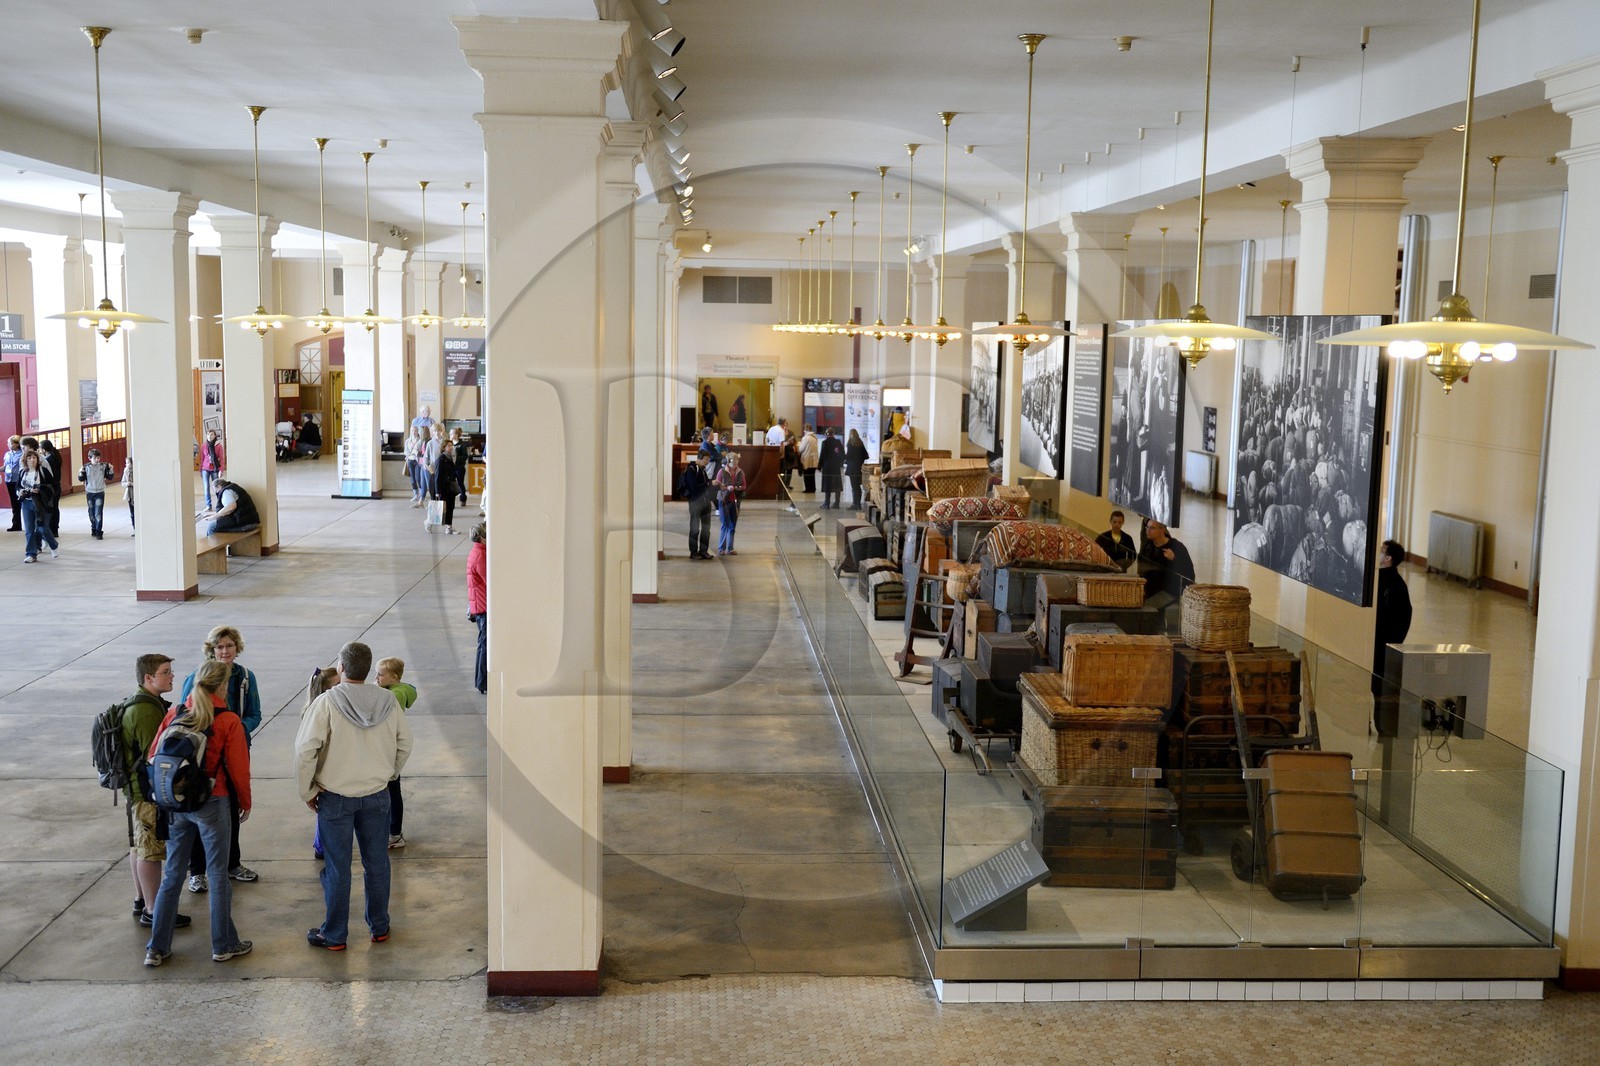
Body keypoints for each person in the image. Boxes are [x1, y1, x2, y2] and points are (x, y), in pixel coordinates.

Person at [295, 641, 414, 951]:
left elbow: (305, 750)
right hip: (377, 796)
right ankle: (380, 927)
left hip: (335, 798)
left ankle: (334, 935)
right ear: (368, 668)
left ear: (343, 668)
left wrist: (308, 789)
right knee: (378, 863)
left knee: (338, 866)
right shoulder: (389, 702)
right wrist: (388, 774)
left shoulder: (326, 703)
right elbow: (405, 744)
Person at [143, 659, 252, 967]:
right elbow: (239, 769)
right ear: (222, 686)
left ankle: (157, 947)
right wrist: (245, 801)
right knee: (218, 874)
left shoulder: (175, 713)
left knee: (174, 873)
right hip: (213, 802)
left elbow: (153, 756)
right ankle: (224, 944)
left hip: (175, 805)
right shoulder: (228, 720)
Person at [178, 626, 263, 891]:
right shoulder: (196, 677)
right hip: (200, 756)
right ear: (211, 650)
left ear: (237, 648)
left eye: (229, 646)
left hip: (235, 750)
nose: (225, 651)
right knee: (197, 807)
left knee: (231, 807)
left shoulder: (246, 677)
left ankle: (232, 863)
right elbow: (184, 715)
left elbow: (255, 714)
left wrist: (236, 730)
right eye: (219, 647)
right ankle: (197, 871)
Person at [119, 653, 192, 931]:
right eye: (165, 672)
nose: (172, 676)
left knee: (139, 845)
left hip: (136, 790)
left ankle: (141, 900)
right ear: (148, 678)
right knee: (150, 850)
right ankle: (154, 910)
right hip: (147, 793)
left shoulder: (140, 702)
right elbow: (157, 757)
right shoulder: (146, 711)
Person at [375, 657, 417, 849]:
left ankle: (394, 832)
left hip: (388, 750)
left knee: (391, 790)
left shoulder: (395, 695)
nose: (376, 678)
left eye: (380, 675)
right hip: (390, 748)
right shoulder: (400, 689)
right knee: (393, 790)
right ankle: (393, 831)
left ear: (394, 676)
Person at [1372, 539, 1414, 720]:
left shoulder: (1395, 586)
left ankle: (1383, 727)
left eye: (1381, 551)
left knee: (1380, 689)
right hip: (1374, 644)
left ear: (1388, 558)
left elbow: (1402, 619)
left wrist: (1387, 643)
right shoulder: (1377, 579)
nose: (1377, 553)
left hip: (1382, 647)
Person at [16, 449, 59, 563]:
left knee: (42, 528)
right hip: (27, 503)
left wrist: (40, 489)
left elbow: (54, 487)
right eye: (29, 458)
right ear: (25, 460)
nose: (32, 460)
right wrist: (20, 492)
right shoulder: (22, 472)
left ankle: (53, 545)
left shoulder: (43, 471)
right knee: (29, 530)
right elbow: (17, 486)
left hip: (41, 503)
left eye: (34, 457)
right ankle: (31, 554)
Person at [1138, 520, 1195, 603]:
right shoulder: (1147, 547)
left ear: (1162, 530)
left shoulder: (1177, 547)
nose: (1148, 530)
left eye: (1152, 528)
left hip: (1170, 596)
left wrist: (1174, 559)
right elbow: (1141, 570)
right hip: (1149, 595)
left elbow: (1189, 573)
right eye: (1147, 527)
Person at [679, 452, 714, 561]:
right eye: (706, 459)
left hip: (705, 502)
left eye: (708, 459)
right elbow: (694, 487)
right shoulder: (691, 470)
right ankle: (693, 552)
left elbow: (705, 483)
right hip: (695, 502)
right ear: (699, 458)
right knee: (694, 528)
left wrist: (711, 483)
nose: (708, 462)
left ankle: (704, 551)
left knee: (706, 529)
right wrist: (709, 484)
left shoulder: (702, 469)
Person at [79, 447, 116, 540]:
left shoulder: (103, 466)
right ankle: (94, 527)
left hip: (99, 492)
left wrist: (111, 469)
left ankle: (99, 531)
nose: (97, 460)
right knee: (91, 512)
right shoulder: (86, 467)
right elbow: (81, 479)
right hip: (90, 492)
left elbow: (110, 477)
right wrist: (80, 473)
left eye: (98, 458)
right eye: (95, 458)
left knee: (98, 513)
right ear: (89, 458)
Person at [468, 524, 488, 693]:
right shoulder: (481, 555)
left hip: (479, 604)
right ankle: (482, 682)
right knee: (484, 645)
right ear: (482, 537)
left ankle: (482, 681)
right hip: (484, 607)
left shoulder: (477, 551)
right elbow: (490, 581)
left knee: (484, 643)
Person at [714, 451, 746, 557]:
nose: (736, 462)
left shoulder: (740, 472)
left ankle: (730, 548)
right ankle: (721, 548)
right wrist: (727, 487)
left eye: (737, 460)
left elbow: (744, 486)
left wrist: (737, 488)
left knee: (732, 525)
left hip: (735, 501)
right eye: (734, 460)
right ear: (728, 461)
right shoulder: (722, 471)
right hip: (724, 500)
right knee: (725, 524)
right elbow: (718, 485)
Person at [429, 438, 461, 534]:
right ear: (444, 447)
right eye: (448, 446)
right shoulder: (440, 459)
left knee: (451, 507)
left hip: (450, 487)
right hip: (443, 488)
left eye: (451, 445)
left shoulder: (450, 457)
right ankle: (429, 523)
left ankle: (449, 528)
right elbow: (437, 476)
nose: (451, 447)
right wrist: (437, 492)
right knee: (441, 508)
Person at [38, 439, 65, 539]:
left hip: (51, 487)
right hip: (57, 486)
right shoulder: (56, 457)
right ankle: (55, 529)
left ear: (44, 449)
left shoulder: (48, 459)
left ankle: (52, 529)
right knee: (55, 508)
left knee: (50, 508)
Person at [818, 427, 844, 509]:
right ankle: (837, 503)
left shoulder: (824, 442)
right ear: (833, 434)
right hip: (835, 466)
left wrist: (819, 466)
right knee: (837, 484)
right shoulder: (838, 442)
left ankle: (827, 503)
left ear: (826, 434)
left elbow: (822, 455)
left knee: (827, 485)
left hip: (827, 466)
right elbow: (842, 454)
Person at [199, 429, 225, 509]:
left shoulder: (218, 446)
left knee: (217, 487)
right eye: (208, 435)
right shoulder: (204, 445)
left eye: (212, 435)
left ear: (215, 436)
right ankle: (208, 505)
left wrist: (221, 470)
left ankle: (219, 504)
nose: (210, 436)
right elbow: (202, 458)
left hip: (215, 468)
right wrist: (200, 470)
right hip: (205, 468)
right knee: (206, 487)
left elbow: (221, 458)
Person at [843, 428, 869, 510]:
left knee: (854, 486)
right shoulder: (860, 443)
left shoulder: (850, 443)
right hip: (859, 467)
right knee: (858, 486)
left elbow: (849, 456)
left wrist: (842, 456)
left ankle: (855, 504)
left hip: (852, 468)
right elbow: (866, 455)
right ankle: (858, 504)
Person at [404, 427, 427, 507]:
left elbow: (420, 451)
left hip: (417, 461)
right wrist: (409, 454)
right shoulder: (408, 441)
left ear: (418, 431)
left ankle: (422, 495)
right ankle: (416, 494)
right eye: (412, 430)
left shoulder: (420, 440)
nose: (414, 432)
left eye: (415, 430)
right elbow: (406, 451)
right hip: (410, 460)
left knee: (418, 478)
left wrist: (415, 453)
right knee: (413, 479)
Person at [3, 434, 22, 532]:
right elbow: (5, 467)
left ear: (17, 444)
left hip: (18, 481)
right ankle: (16, 524)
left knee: (21, 502)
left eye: (10, 443)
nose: (8, 445)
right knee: (14, 503)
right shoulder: (7, 454)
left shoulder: (22, 454)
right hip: (9, 480)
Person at [449, 427, 471, 506]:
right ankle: (451, 499)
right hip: (451, 467)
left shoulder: (462, 444)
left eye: (453, 434)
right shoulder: (449, 444)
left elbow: (465, 456)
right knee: (451, 483)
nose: (451, 435)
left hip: (459, 467)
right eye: (450, 434)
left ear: (457, 435)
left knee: (460, 483)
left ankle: (463, 499)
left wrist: (456, 459)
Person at [798, 424, 820, 494]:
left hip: (807, 458)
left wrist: (798, 446)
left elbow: (801, 449)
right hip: (814, 459)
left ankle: (808, 488)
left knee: (806, 474)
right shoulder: (815, 437)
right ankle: (813, 488)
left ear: (806, 430)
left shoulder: (806, 438)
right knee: (812, 475)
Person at [121, 454, 135, 533]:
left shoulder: (136, 471)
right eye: (126, 463)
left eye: (128, 463)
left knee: (136, 512)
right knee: (132, 513)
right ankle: (134, 528)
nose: (126, 465)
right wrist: (127, 484)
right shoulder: (125, 471)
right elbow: (123, 482)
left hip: (135, 494)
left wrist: (133, 483)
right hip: (130, 495)